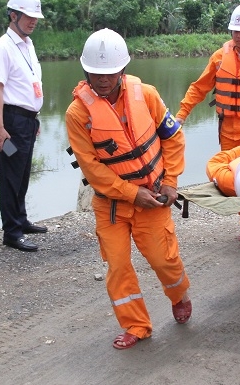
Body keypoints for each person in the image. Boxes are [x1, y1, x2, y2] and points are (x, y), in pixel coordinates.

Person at [65, 28, 192, 351]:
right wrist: (132, 194)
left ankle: (179, 295)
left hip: (155, 196)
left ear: (122, 69)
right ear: (85, 71)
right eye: (96, 72)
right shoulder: (78, 114)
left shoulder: (145, 95)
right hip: (112, 205)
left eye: (109, 72)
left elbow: (173, 138)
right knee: (118, 266)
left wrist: (171, 181)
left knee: (164, 261)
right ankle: (136, 325)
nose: (103, 79)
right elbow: (92, 169)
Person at [176, 4, 240, 251]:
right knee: (234, 180)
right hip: (227, 129)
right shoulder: (220, 57)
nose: (239, 35)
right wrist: (181, 115)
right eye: (235, 31)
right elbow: (199, 88)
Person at [0, 0, 48, 252]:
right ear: (13, 15)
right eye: (28, 16)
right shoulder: (2, 47)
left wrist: (35, 119)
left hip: (27, 121)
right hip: (11, 122)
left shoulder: (27, 44)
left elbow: (29, 83)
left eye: (35, 17)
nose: (33, 21)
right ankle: (11, 232)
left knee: (23, 173)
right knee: (10, 176)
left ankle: (21, 219)